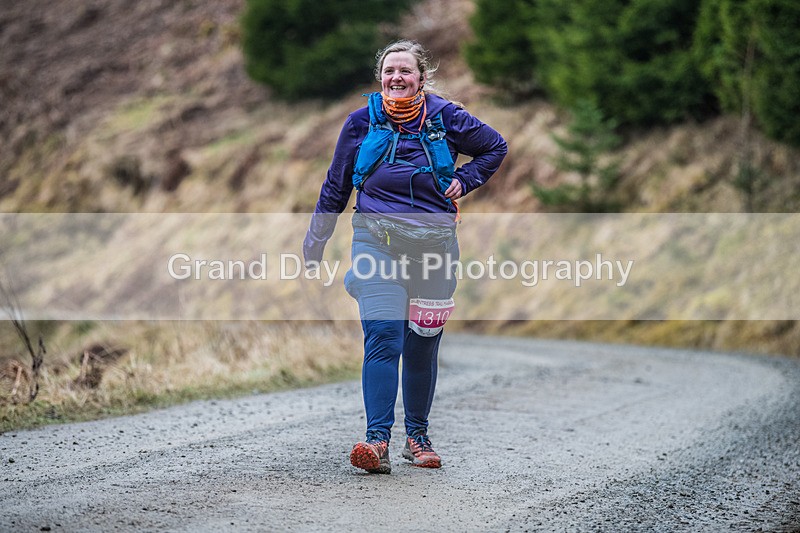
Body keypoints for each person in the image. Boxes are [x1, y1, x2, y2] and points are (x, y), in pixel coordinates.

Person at [303, 40, 507, 474]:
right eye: (389, 70)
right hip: (375, 241)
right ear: (380, 77)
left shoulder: (447, 117)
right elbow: (337, 185)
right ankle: (377, 441)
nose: (397, 78)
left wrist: (466, 179)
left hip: (434, 249)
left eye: (406, 71)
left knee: (421, 346)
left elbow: (495, 147)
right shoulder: (360, 123)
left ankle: (418, 436)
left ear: (421, 77)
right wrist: (316, 240)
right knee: (385, 337)